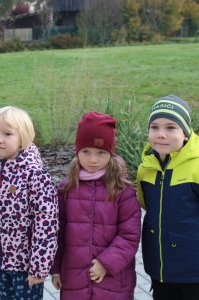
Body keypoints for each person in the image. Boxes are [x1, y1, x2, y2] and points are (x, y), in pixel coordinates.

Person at [136, 95, 199, 300]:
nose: (161, 134)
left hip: (195, 273)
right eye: (154, 127)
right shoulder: (145, 170)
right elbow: (147, 206)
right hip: (160, 271)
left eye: (171, 127)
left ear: (186, 133)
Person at [0, 106, 59, 300]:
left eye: (7, 134)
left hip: (26, 267)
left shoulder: (35, 175)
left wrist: (39, 267)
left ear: (22, 138)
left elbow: (46, 224)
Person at [51, 111, 141, 300]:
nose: (93, 160)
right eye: (86, 152)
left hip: (113, 280)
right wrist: (56, 269)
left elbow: (129, 235)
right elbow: (57, 233)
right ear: (77, 152)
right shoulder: (67, 188)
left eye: (101, 153)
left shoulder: (122, 190)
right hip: (74, 279)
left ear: (110, 153)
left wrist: (106, 263)